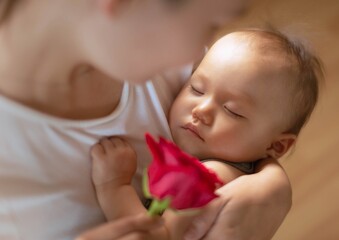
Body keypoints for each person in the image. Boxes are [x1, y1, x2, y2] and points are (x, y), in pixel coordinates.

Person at [0, 0, 292, 239]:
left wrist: (273, 184)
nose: (197, 53)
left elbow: (256, 130)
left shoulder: (169, 67)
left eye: (232, 111)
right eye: (210, 24)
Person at [82, 29, 323, 240]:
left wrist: (114, 186)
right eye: (196, 88)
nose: (201, 110)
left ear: (277, 147)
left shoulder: (215, 178)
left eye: (232, 111)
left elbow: (153, 237)